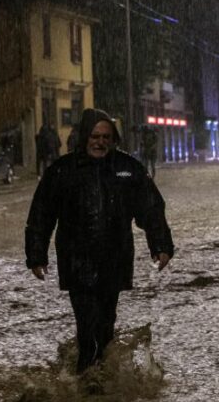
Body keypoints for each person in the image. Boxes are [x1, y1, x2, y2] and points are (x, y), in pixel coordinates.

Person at [25, 109, 174, 374]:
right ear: (84, 137)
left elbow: (150, 208)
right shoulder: (62, 171)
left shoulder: (127, 169)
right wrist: (36, 256)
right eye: (95, 136)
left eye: (106, 137)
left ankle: (100, 377)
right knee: (87, 324)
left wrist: (160, 245)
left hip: (113, 261)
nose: (100, 142)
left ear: (113, 139)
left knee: (106, 324)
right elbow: (41, 214)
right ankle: (87, 382)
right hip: (77, 262)